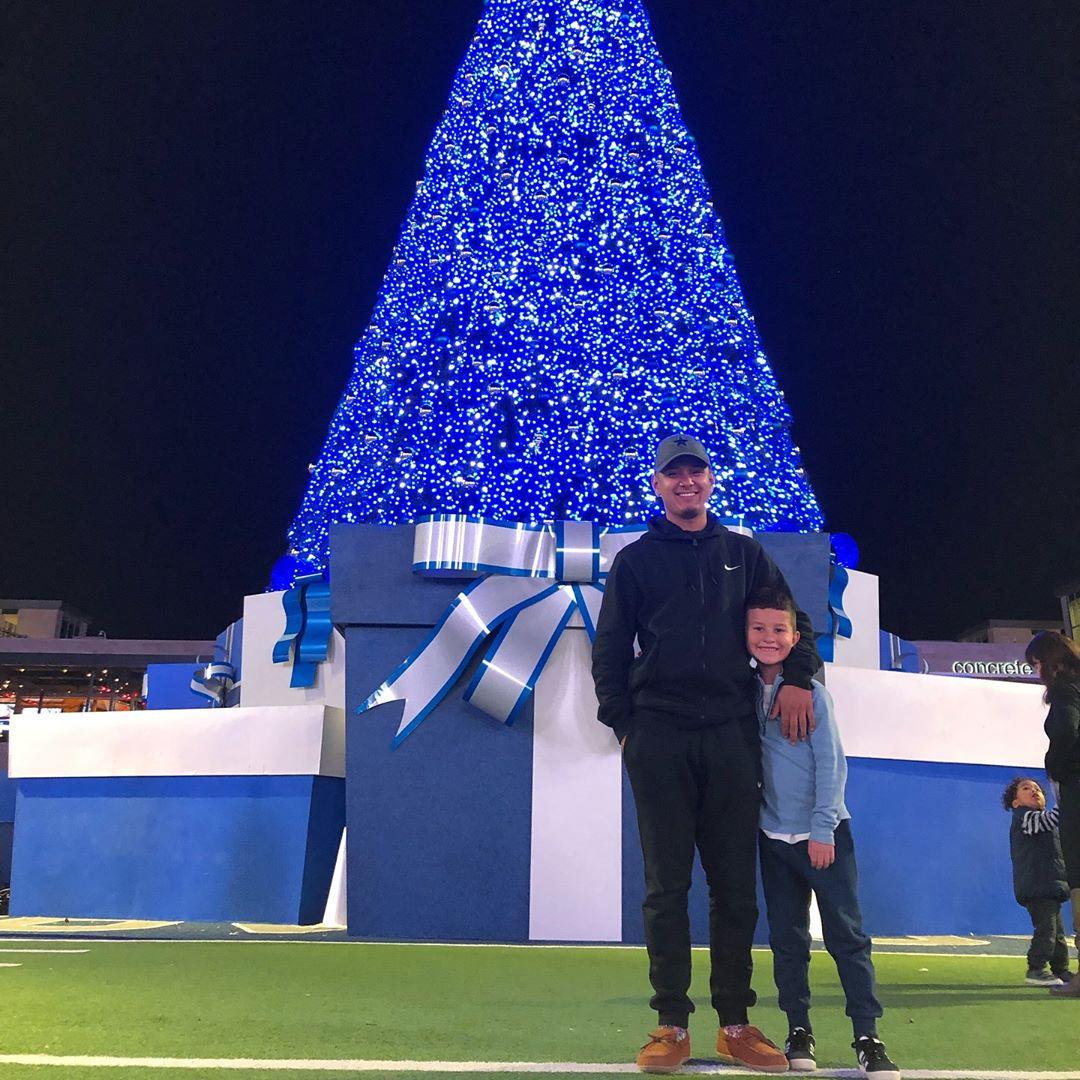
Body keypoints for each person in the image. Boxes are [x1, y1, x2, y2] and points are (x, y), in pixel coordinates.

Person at [592, 434, 819, 1075]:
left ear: (710, 481)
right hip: (658, 738)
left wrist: (799, 677)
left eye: (695, 472)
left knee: (735, 890)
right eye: (674, 475)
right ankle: (669, 1025)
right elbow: (609, 650)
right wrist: (624, 727)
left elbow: (791, 620)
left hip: (730, 735)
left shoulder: (744, 555)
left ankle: (736, 1025)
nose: (686, 483)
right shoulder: (634, 562)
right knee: (666, 888)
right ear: (658, 486)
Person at [747, 586, 900, 1077]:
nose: (768, 638)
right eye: (758, 628)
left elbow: (831, 765)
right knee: (787, 940)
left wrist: (822, 829)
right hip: (773, 840)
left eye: (779, 630)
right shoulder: (742, 693)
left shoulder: (814, 695)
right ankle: (799, 1030)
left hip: (825, 837)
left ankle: (868, 1036)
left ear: (796, 637)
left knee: (847, 938)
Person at [1024, 630, 1080, 997]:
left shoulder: (1065, 692)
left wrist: (1053, 765)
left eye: (1037, 664)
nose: (1035, 672)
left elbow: (1066, 732)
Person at [1002, 776, 1071, 985]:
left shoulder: (1039, 821)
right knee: (1047, 929)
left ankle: (1061, 969)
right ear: (1016, 802)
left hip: (1048, 885)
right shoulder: (1025, 818)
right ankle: (1036, 968)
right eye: (1026, 788)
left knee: (1058, 932)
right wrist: (1066, 799)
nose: (1035, 790)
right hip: (1037, 886)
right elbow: (1052, 819)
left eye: (1038, 789)